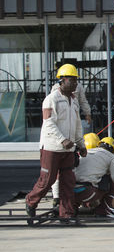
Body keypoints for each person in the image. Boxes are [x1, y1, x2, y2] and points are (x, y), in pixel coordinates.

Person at [25, 64, 87, 224]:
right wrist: (62, 140)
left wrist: (81, 144)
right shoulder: (51, 99)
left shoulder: (73, 101)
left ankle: (66, 215)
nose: (75, 84)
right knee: (48, 179)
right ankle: (31, 201)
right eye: (72, 80)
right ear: (62, 80)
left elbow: (77, 125)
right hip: (52, 148)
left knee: (68, 181)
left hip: (68, 149)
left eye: (76, 81)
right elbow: (48, 124)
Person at [73, 136, 114, 217]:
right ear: (113, 150)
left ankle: (72, 210)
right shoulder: (111, 157)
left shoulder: (86, 152)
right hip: (88, 193)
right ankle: (103, 210)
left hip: (70, 193)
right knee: (111, 179)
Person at [51, 132, 100, 208]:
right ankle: (98, 206)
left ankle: (72, 206)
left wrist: (56, 197)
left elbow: (57, 177)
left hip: (67, 192)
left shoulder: (70, 157)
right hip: (87, 192)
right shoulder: (101, 158)